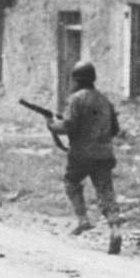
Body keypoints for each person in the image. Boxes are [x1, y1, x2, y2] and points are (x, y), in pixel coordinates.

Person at [47, 61, 123, 254]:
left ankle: (82, 219)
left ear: (76, 80)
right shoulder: (105, 100)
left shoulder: (76, 99)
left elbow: (69, 126)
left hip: (81, 154)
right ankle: (115, 229)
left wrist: (53, 125)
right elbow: (115, 129)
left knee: (71, 182)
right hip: (104, 154)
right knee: (106, 191)